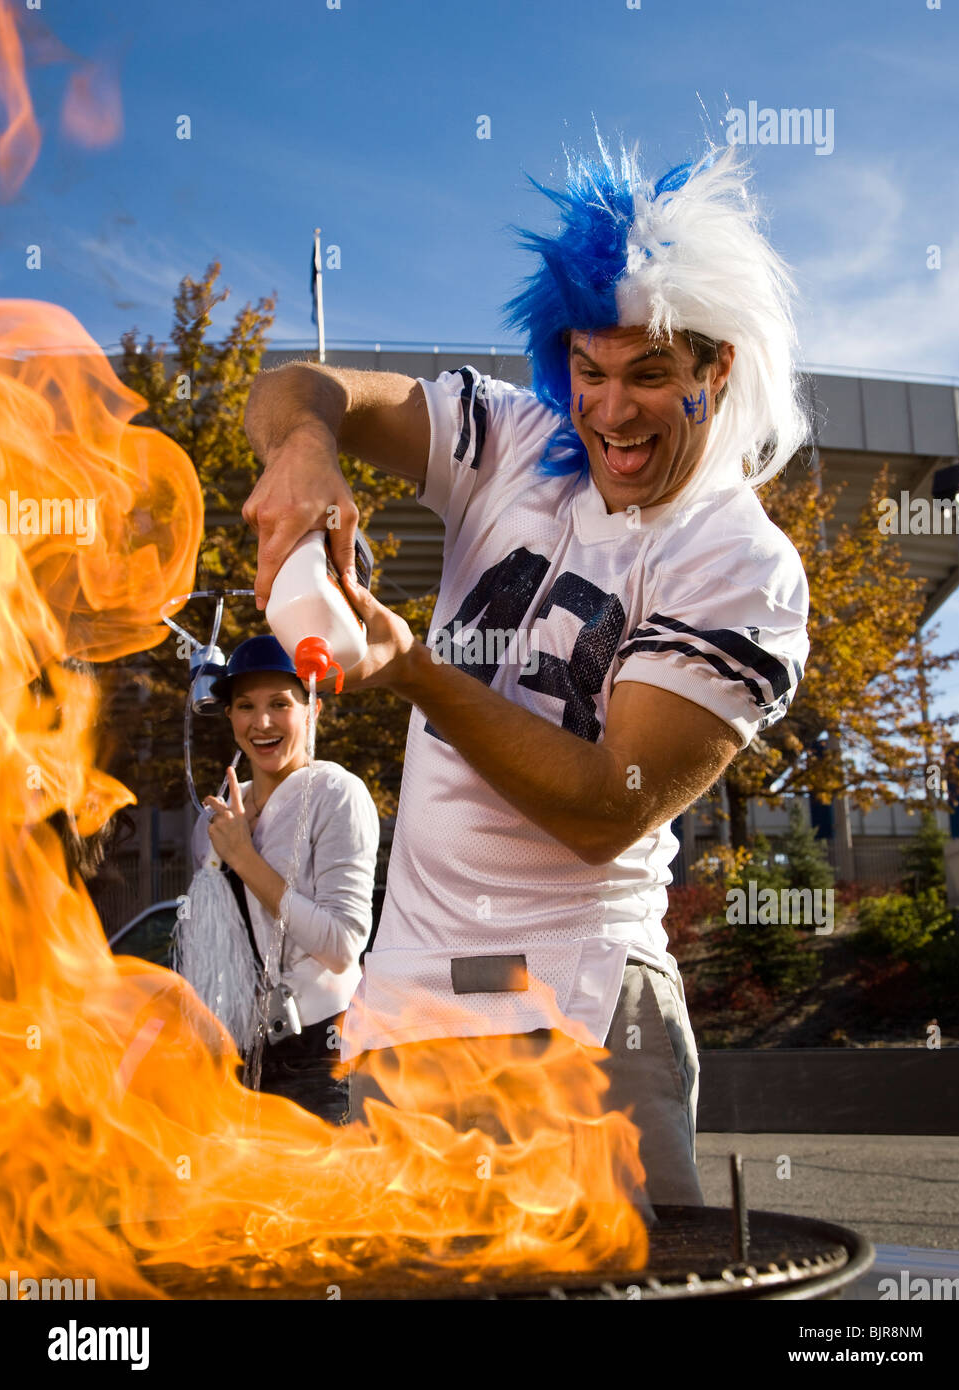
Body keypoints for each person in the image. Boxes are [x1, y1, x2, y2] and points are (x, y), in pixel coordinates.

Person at [238, 143, 810, 1206]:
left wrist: (411, 668)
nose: (611, 412)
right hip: (410, 1008)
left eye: (649, 374)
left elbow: (605, 808)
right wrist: (305, 449)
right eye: (589, 370)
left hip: (583, 1011)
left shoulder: (739, 561)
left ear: (716, 367)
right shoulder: (512, 440)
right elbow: (294, 386)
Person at [189, 634, 380, 1124]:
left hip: (322, 1054)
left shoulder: (337, 794)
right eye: (246, 705)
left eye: (281, 703)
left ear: (312, 709)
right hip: (237, 1060)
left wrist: (244, 858)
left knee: (315, 1200)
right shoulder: (215, 820)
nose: (263, 722)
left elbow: (341, 946)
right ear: (229, 716)